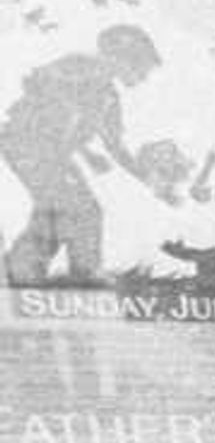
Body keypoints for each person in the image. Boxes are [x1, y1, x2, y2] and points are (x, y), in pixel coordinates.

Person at [1, 23, 159, 285]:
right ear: (120, 58)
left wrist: (144, 176)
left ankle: (21, 269)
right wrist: (80, 145)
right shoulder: (79, 68)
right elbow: (36, 83)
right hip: (25, 144)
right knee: (83, 209)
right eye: (139, 66)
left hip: (52, 154)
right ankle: (85, 272)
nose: (143, 75)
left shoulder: (109, 97)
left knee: (57, 210)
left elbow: (115, 145)